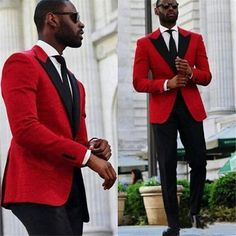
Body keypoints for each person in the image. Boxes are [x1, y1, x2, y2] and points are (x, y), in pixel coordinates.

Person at [1, 0, 116, 235]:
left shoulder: (77, 84)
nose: (81, 24)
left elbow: (75, 140)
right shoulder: (21, 63)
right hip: (37, 187)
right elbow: (25, 130)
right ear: (52, 19)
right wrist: (87, 157)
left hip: (71, 190)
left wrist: (93, 147)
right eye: (74, 17)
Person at [133, 0, 211, 235]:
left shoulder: (194, 39)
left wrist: (190, 72)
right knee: (166, 167)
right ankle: (173, 224)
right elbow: (138, 82)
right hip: (163, 111)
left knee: (199, 161)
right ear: (156, 10)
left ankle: (194, 211)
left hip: (190, 108)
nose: (171, 10)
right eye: (165, 6)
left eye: (175, 6)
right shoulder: (145, 43)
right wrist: (167, 83)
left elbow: (206, 76)